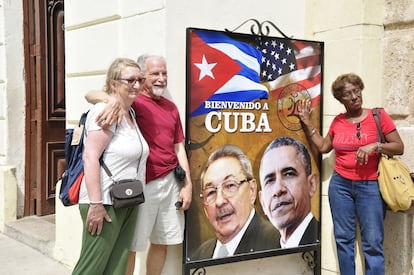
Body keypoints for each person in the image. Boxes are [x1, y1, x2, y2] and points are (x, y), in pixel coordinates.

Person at [84, 54, 192, 275]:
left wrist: (187, 185)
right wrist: (110, 99)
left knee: (162, 242)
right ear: (144, 77)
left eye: (164, 73)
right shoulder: (133, 101)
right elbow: (90, 94)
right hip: (142, 185)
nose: (161, 78)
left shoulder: (169, 108)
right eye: (154, 74)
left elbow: (178, 147)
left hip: (171, 182)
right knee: (130, 247)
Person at [297, 73, 404, 275]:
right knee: (343, 240)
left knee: (372, 243)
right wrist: (307, 124)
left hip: (370, 185)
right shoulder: (338, 121)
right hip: (341, 186)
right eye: (348, 94)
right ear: (340, 99)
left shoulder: (378, 116)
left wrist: (375, 146)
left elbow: (399, 146)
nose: (355, 96)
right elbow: (324, 147)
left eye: (357, 91)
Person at [72, 58, 149, 275]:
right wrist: (96, 205)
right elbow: (90, 158)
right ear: (114, 84)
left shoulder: (130, 112)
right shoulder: (105, 111)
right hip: (104, 202)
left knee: (118, 266)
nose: (137, 84)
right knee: (91, 268)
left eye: (140, 79)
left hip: (127, 199)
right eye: (130, 80)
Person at [192, 144, 280, 260]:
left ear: (252, 190)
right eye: (211, 192)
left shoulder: (278, 244)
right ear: (205, 208)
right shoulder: (200, 256)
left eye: (230, 186)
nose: (219, 201)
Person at [259, 136, 319, 248]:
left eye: (288, 174)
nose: (278, 190)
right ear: (262, 202)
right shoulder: (265, 251)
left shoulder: (323, 243)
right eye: (270, 180)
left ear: (311, 184)